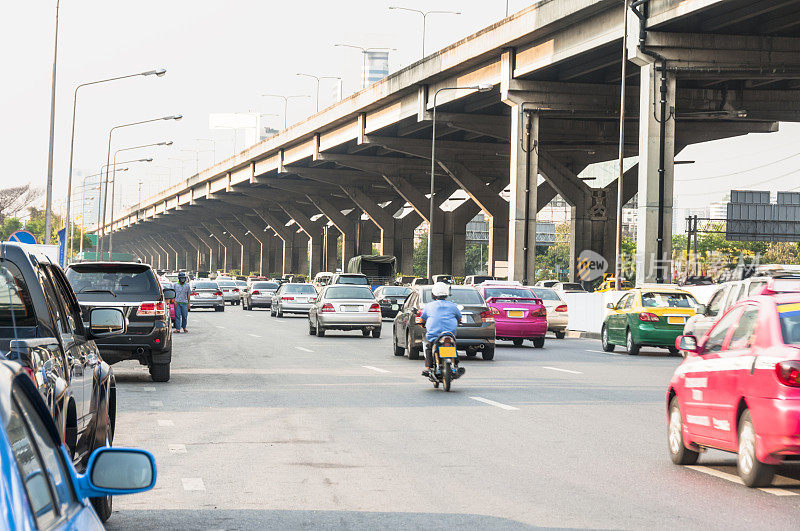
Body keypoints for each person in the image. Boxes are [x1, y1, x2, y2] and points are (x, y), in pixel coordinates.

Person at [419, 282, 462, 377]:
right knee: (453, 347)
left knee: (429, 348)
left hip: (434, 335)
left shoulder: (429, 306)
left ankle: (428, 368)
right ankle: (455, 364)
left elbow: (422, 319)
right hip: (450, 334)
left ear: (433, 294)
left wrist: (421, 323)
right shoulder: (453, 306)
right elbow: (459, 319)